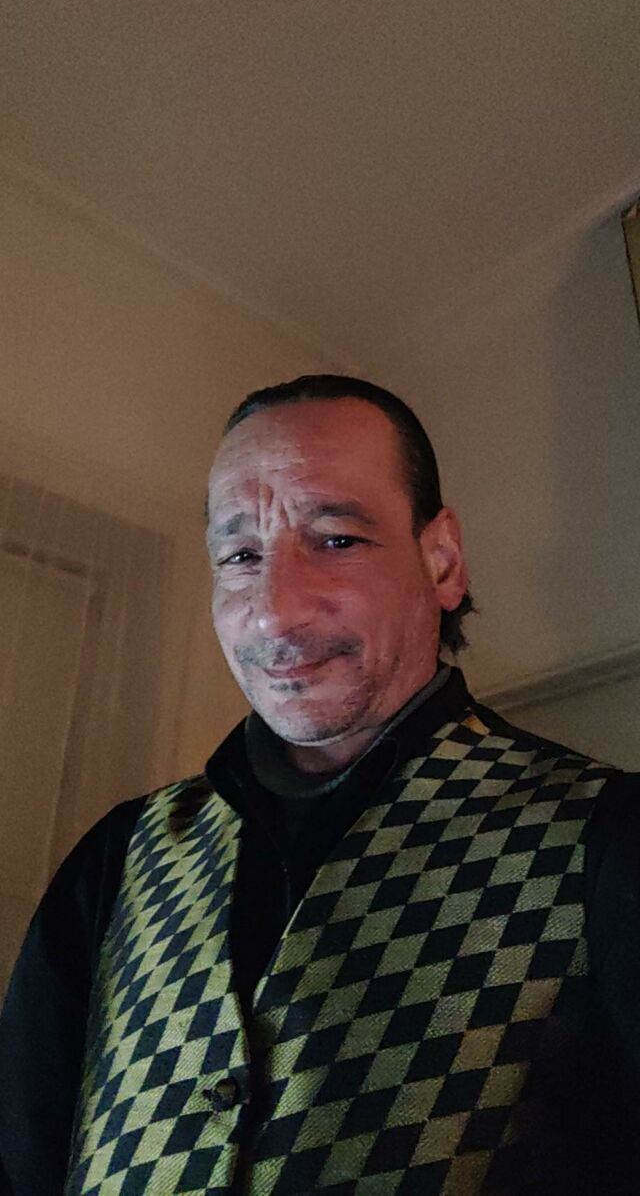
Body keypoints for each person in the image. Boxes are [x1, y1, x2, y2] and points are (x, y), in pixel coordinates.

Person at [0, 373, 638, 1196]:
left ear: (442, 561)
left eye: (336, 539)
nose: (274, 611)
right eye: (240, 555)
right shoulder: (115, 857)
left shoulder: (606, 837)